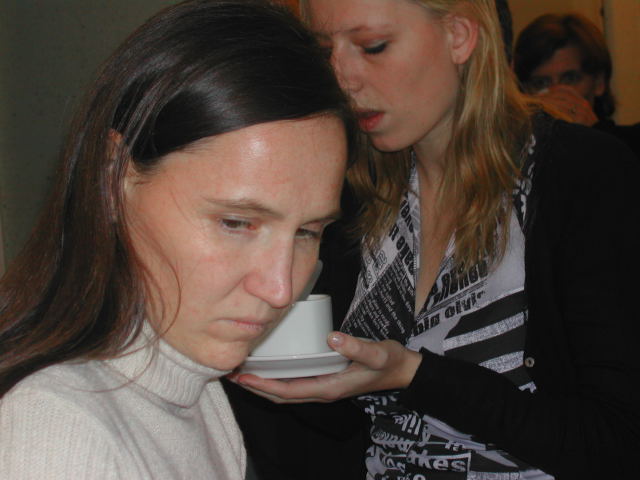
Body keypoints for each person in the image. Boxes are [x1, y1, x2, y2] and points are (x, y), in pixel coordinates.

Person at [234, 1, 640, 479]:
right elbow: (340, 426)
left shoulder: (583, 176)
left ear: (459, 36)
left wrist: (414, 374)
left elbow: (616, 442)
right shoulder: (358, 191)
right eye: (326, 51)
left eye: (373, 47)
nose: (342, 79)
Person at [0, 0, 356, 478]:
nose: (281, 289)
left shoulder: (194, 385)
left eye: (308, 232)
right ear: (114, 175)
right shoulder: (58, 436)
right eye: (236, 223)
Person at [514, 12, 640, 159]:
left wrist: (595, 132)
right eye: (541, 83)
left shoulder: (632, 143)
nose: (556, 93)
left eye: (570, 79)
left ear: (598, 82)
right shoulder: (517, 154)